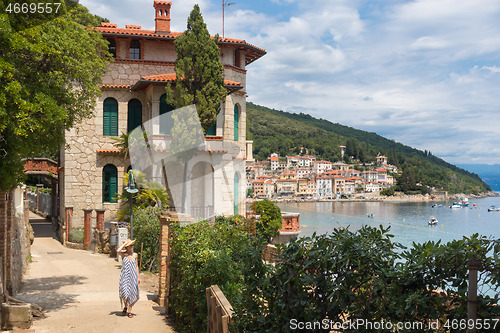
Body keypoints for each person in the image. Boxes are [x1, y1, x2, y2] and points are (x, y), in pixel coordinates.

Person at [117, 239, 140, 318]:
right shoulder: (124, 254)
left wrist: (138, 277)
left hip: (133, 276)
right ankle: (125, 306)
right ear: (127, 247)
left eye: (133, 245)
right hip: (125, 276)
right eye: (131, 245)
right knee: (125, 292)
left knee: (132, 293)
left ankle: (129, 310)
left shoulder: (135, 255)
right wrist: (124, 244)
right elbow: (118, 251)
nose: (132, 246)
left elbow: (136, 266)